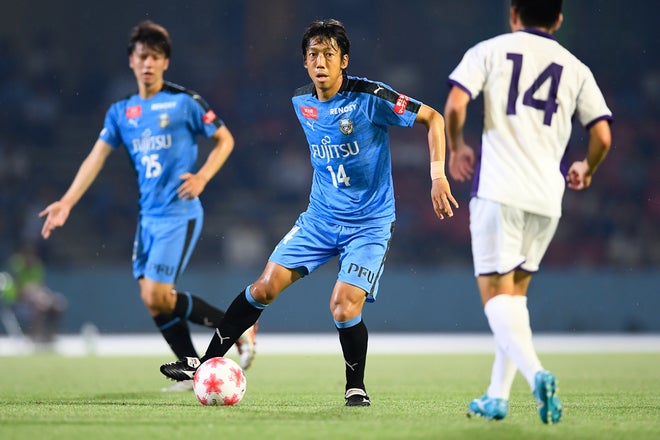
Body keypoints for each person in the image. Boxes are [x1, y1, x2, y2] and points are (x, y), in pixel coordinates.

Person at [160, 18, 458, 406]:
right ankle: (204, 363)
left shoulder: (370, 97)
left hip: (368, 224)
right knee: (264, 287)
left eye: (329, 54)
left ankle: (355, 386)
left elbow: (433, 118)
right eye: (313, 54)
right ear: (304, 62)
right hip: (319, 219)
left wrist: (437, 176)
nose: (320, 61)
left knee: (342, 305)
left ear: (344, 60)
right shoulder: (301, 102)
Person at [38, 20, 257, 391]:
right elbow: (96, 157)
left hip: (180, 212)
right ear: (131, 60)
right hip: (148, 218)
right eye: (142, 57)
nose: (148, 64)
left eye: (155, 57)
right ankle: (193, 368)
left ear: (166, 62)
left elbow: (225, 139)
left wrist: (202, 177)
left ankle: (237, 326)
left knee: (157, 293)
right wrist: (67, 201)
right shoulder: (121, 112)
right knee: (153, 299)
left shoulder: (184, 102)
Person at [444, 0, 612, 424]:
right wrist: (587, 167)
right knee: (514, 298)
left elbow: (456, 105)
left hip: (500, 189)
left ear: (513, 13)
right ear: (559, 19)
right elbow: (603, 135)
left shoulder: (489, 50)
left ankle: (537, 374)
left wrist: (458, 146)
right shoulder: (576, 68)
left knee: (495, 296)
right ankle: (496, 395)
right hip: (547, 197)